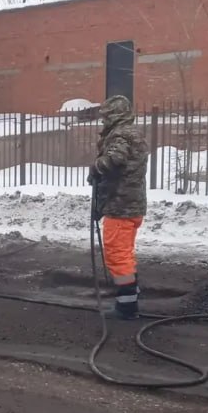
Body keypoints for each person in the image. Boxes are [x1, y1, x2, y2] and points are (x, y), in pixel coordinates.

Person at [87, 95, 148, 319]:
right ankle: (130, 295)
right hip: (130, 204)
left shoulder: (121, 134)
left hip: (120, 205)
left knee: (117, 255)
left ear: (114, 115)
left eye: (105, 117)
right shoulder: (132, 133)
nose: (103, 121)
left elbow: (116, 158)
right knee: (125, 253)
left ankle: (127, 306)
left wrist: (96, 167)